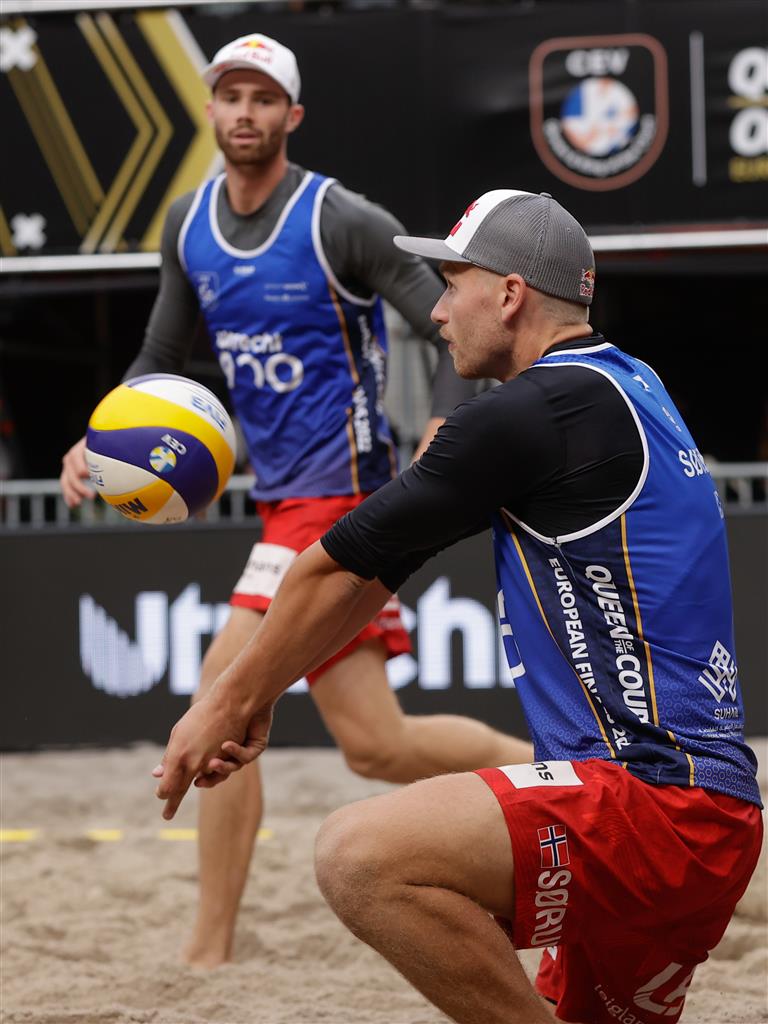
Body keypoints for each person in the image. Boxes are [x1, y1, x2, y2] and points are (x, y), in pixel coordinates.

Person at [153, 188, 763, 1022]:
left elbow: (332, 569)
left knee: (359, 857)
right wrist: (258, 693)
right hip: (699, 813)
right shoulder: (628, 384)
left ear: (510, 295)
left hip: (648, 810)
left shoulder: (532, 412)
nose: (436, 313)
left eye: (452, 285)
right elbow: (373, 572)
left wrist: (225, 702)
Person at [60, 35, 532, 969]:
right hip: (283, 504)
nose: (245, 112)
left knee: (220, 697)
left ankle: (208, 949)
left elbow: (446, 320)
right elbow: (159, 358)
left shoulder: (336, 218)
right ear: (209, 110)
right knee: (376, 746)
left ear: (292, 115)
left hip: (349, 495)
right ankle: (563, 776)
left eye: (263, 98)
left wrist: (444, 421)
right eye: (231, 96)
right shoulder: (188, 223)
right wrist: (98, 436)